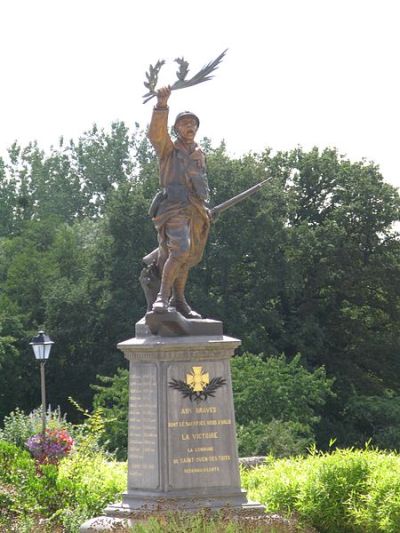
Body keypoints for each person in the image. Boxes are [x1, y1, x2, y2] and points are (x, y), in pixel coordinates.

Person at [145, 86, 211, 318]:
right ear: (176, 128)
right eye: (184, 123)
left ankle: (179, 300)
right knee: (180, 249)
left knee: (188, 257)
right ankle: (162, 297)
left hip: (195, 209)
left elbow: (201, 185)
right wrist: (162, 105)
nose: (189, 126)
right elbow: (156, 134)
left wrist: (205, 208)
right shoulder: (169, 150)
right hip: (173, 206)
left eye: (193, 123)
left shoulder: (199, 153)